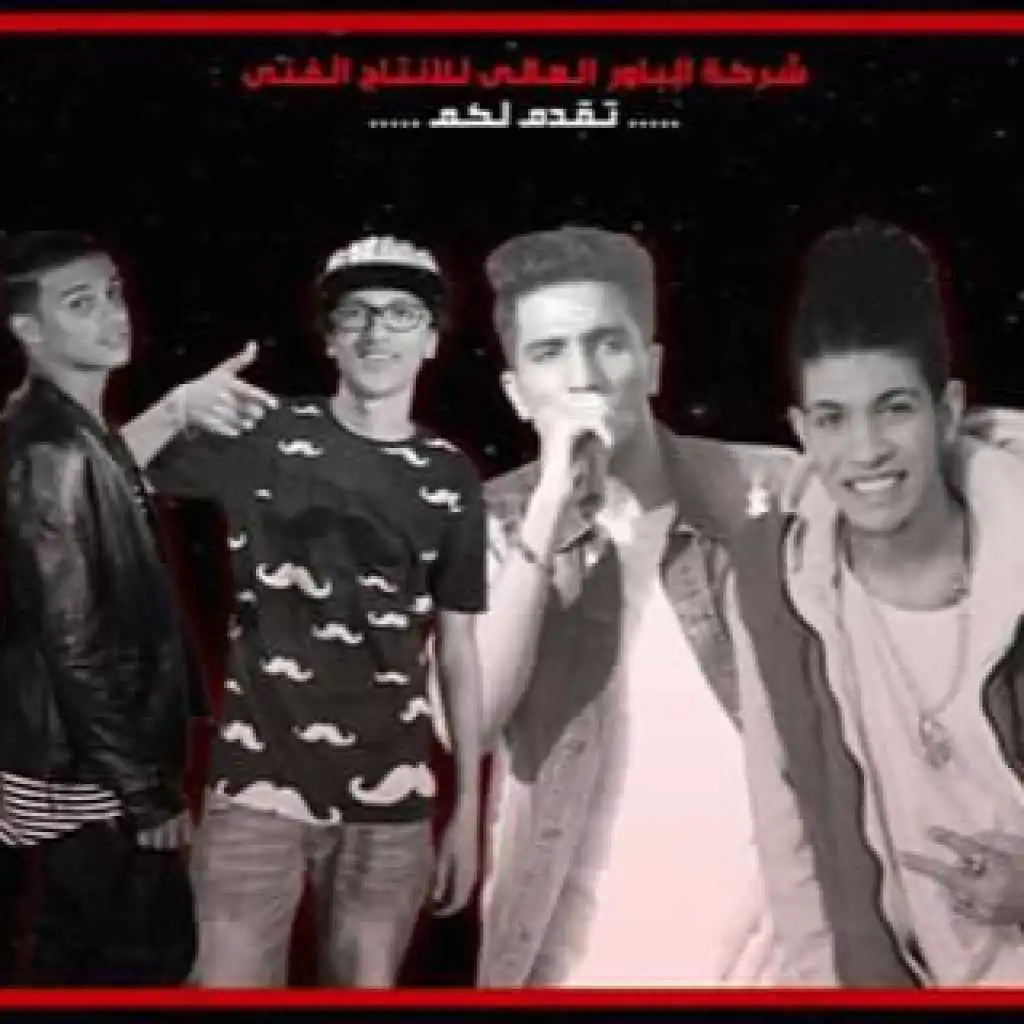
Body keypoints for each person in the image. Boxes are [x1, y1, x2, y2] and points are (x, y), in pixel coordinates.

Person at [131, 235, 486, 988]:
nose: (376, 331)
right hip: (256, 788)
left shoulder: (451, 476)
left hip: (391, 801)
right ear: (329, 337)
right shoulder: (263, 434)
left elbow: (458, 651)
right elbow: (80, 483)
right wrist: (174, 408)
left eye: (400, 313)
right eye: (355, 313)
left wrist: (469, 815)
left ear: (431, 340)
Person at [452, 224, 800, 987]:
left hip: (768, 961)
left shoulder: (773, 489)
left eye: (607, 343)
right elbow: (464, 725)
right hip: (568, 963)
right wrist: (548, 508)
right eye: (549, 352)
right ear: (516, 393)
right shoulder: (488, 522)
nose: (584, 376)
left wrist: (809, 915)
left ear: (653, 365)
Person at [728, 218, 1024, 986]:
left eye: (894, 408)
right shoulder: (775, 586)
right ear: (802, 430)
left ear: (947, 411)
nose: (865, 451)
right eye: (833, 418)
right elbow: (792, 850)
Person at [0, 230, 275, 985]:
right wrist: (146, 794)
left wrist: (179, 407)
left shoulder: (67, 434)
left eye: (113, 293)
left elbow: (108, 474)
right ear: (28, 329)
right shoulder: (50, 450)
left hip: (86, 769)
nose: (111, 315)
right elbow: (73, 642)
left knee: (89, 962)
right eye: (79, 304)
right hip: (88, 782)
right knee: (134, 965)